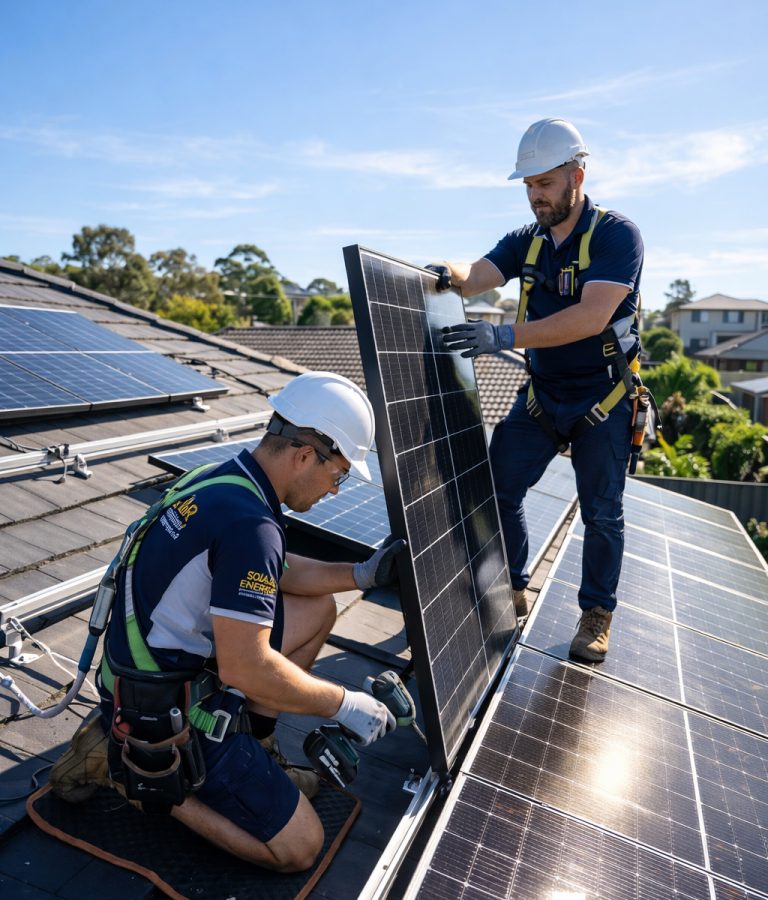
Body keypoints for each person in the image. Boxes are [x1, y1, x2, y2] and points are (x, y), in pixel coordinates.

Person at [50, 371, 405, 873]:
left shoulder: (224, 482)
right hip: (162, 712)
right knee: (299, 847)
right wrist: (345, 704)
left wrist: (361, 574)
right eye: (339, 475)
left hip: (136, 674)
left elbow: (280, 572)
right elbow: (246, 669)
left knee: (318, 606)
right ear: (306, 455)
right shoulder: (251, 526)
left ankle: (252, 748)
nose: (335, 489)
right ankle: (138, 776)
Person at [433, 118, 643, 663]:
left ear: (577, 174)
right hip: (542, 395)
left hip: (603, 399)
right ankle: (515, 587)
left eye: (544, 183)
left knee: (602, 514)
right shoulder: (527, 242)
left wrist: (502, 334)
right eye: (528, 186)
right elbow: (475, 274)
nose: (534, 196)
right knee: (497, 486)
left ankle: (597, 614)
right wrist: (441, 272)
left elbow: (591, 318)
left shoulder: (616, 236)